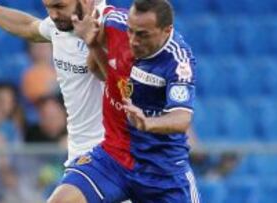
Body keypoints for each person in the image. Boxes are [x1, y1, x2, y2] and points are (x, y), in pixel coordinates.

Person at [48, 0, 200, 202]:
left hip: (162, 172)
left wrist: (148, 123)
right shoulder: (114, 24)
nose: (133, 40)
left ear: (166, 30)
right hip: (114, 156)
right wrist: (91, 42)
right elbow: (102, 73)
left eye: (142, 34)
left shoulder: (177, 62)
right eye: (131, 31)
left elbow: (182, 118)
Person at [0, 0, 107, 165]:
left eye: (59, 6)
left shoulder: (111, 25)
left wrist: (93, 44)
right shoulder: (60, 26)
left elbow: (118, 80)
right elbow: (27, 26)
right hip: (80, 153)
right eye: (48, 8)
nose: (53, 15)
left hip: (109, 150)